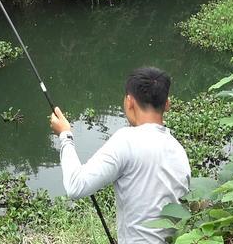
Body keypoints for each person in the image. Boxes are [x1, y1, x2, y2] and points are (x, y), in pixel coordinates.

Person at [50, 67, 191, 243]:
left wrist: (65, 136)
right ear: (167, 104)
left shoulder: (126, 140)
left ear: (129, 102)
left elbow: (76, 186)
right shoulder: (179, 151)